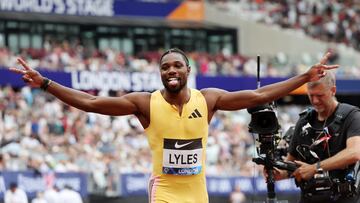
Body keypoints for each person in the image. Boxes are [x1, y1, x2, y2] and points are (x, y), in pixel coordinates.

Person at [10, 48, 337, 203]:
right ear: (161, 72)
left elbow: (259, 94)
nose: (171, 70)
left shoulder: (207, 99)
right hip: (164, 192)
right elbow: (92, 103)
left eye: (177, 65)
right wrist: (45, 83)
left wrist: (303, 78)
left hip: (198, 194)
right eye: (165, 66)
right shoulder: (144, 103)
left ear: (188, 69)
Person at [270, 71, 360, 203]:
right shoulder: (304, 121)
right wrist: (278, 173)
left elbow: (355, 152)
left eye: (320, 95)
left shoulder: (352, 116)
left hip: (345, 198)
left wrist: (315, 168)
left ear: (333, 90)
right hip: (309, 197)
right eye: (311, 95)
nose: (315, 101)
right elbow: (291, 164)